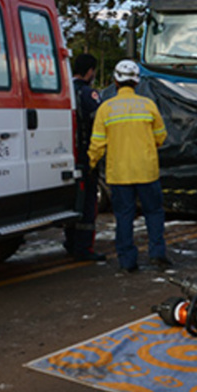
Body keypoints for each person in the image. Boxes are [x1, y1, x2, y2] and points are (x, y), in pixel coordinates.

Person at [87, 59, 170, 273]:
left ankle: (127, 262)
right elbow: (161, 137)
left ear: (115, 81)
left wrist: (90, 163)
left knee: (124, 217)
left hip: (119, 174)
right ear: (136, 82)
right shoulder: (148, 105)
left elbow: (97, 143)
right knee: (154, 213)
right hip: (147, 171)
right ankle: (157, 254)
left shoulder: (106, 109)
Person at [63, 53, 106, 262]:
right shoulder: (90, 94)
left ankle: (70, 242)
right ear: (90, 71)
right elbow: (102, 123)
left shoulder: (64, 91)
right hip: (86, 156)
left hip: (65, 155)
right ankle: (84, 247)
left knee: (72, 201)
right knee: (88, 204)